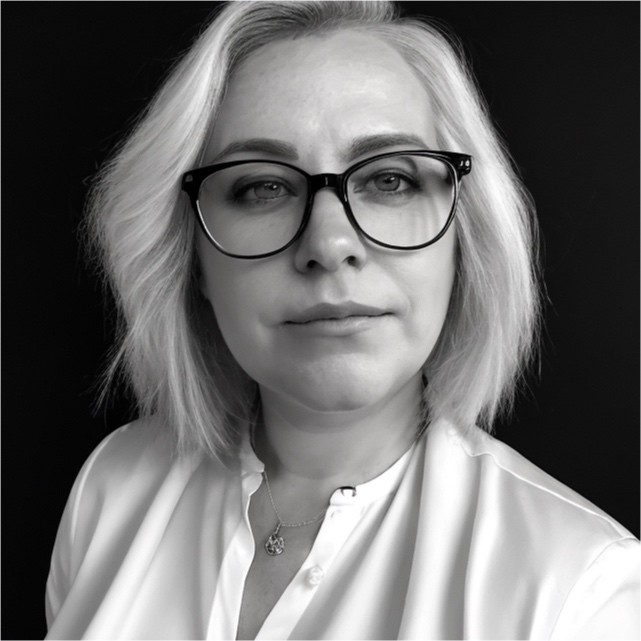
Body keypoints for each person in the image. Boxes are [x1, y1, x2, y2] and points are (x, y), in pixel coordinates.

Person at [44, 1, 639, 639]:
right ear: (191, 259)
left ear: (465, 239)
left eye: (389, 180)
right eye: (263, 187)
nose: (330, 245)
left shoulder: (585, 592)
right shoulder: (113, 485)